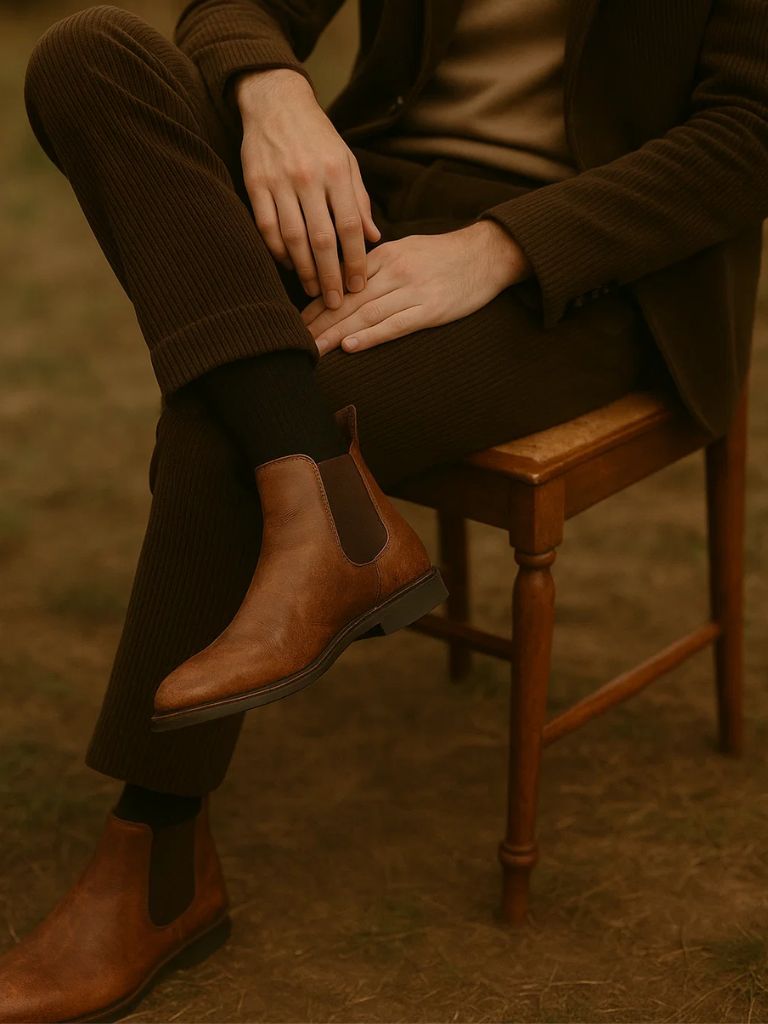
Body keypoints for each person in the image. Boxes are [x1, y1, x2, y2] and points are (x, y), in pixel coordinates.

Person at [2, 0, 766, 1019]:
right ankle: (332, 517)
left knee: (236, 403)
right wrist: (271, 92)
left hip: (592, 266)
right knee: (89, 57)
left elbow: (749, 134)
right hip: (378, 193)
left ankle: (158, 857)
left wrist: (499, 247)